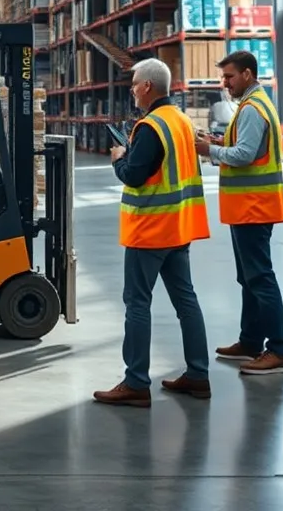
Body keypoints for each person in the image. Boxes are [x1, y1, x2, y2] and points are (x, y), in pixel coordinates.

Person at [93, 58, 211, 409]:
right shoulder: (181, 121)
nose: (131, 89)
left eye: (133, 84)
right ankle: (198, 375)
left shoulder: (151, 127)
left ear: (147, 87)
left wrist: (118, 157)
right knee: (186, 301)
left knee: (137, 303)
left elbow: (133, 174)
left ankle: (136, 383)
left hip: (150, 229)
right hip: (179, 226)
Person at [195, 50, 283, 376]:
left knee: (260, 278)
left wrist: (209, 149)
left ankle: (278, 350)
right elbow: (245, 146)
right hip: (247, 206)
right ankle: (250, 341)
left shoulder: (252, 109)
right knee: (248, 278)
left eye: (230, 77)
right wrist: (219, 140)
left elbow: (245, 154)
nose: (225, 84)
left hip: (254, 206)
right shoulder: (253, 105)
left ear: (247, 75)